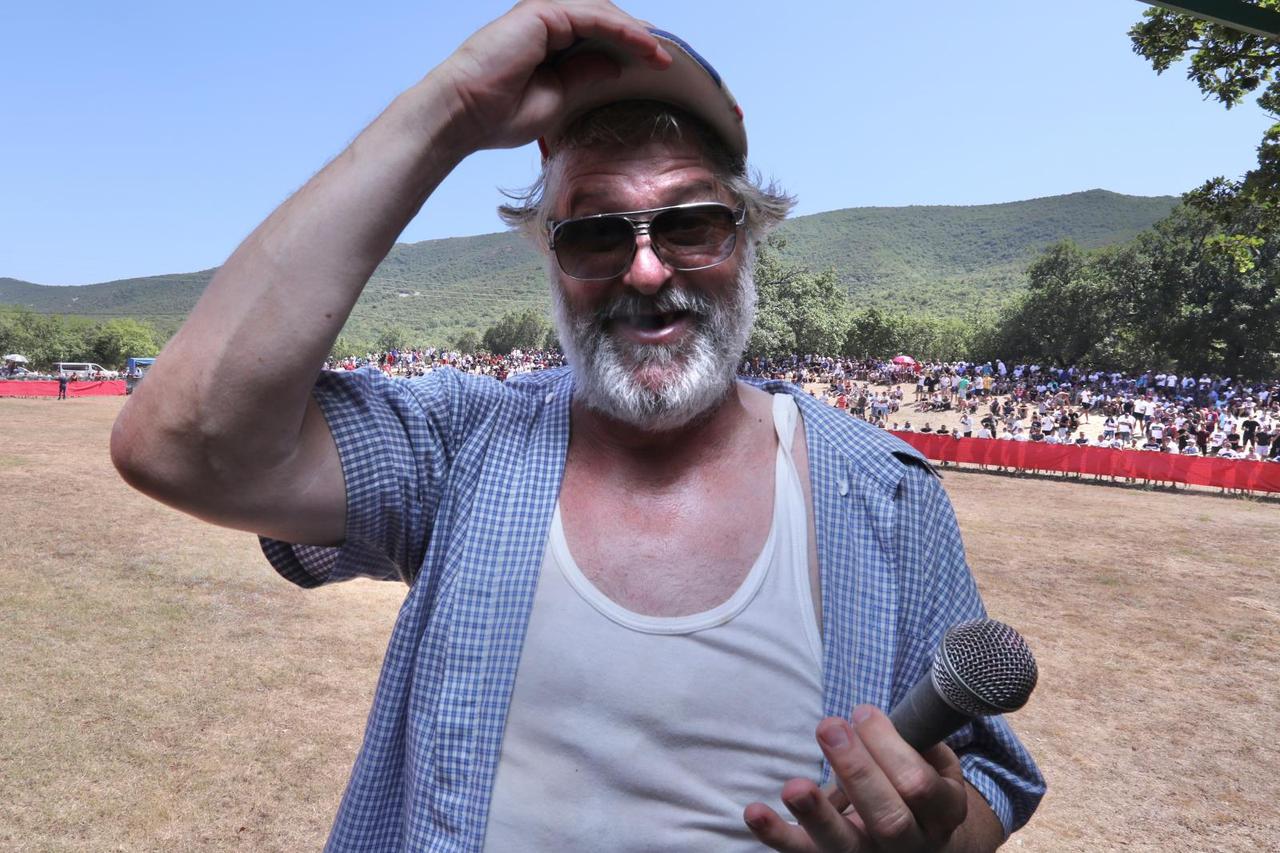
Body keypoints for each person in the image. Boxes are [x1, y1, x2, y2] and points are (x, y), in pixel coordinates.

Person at [110, 3, 1042, 850]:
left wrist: (933, 835)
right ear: (548, 259)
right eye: (594, 233)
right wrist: (448, 111)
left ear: (747, 235)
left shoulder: (883, 492)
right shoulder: (459, 440)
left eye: (689, 224)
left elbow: (986, 779)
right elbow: (182, 444)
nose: (646, 270)